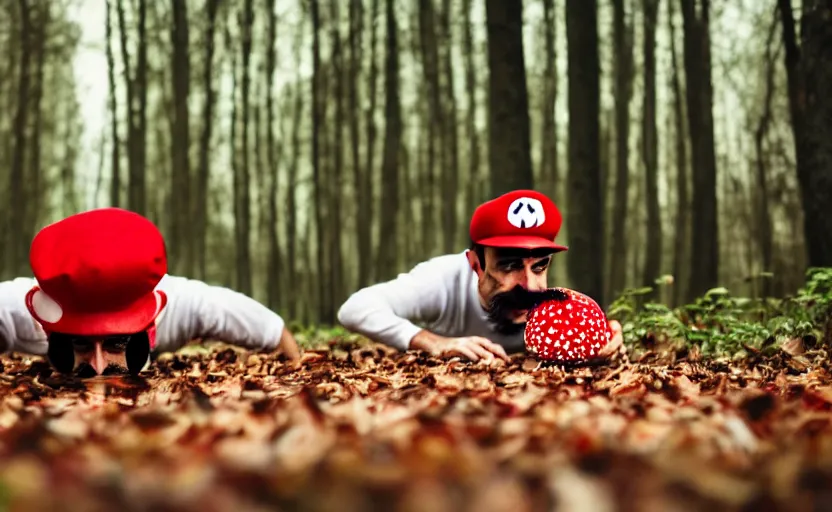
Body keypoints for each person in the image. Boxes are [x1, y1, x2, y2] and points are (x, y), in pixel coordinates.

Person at [6, 207, 300, 377]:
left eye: (116, 343)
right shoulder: (16, 312)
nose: (97, 367)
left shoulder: (190, 306)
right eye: (81, 344)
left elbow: (274, 332)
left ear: (149, 330)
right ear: (49, 333)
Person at [337, 189, 623, 363]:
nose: (530, 286)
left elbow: (589, 342)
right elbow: (354, 309)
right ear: (475, 264)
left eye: (539, 266)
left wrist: (602, 338)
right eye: (509, 266)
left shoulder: (551, 307)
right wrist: (434, 342)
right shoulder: (443, 280)